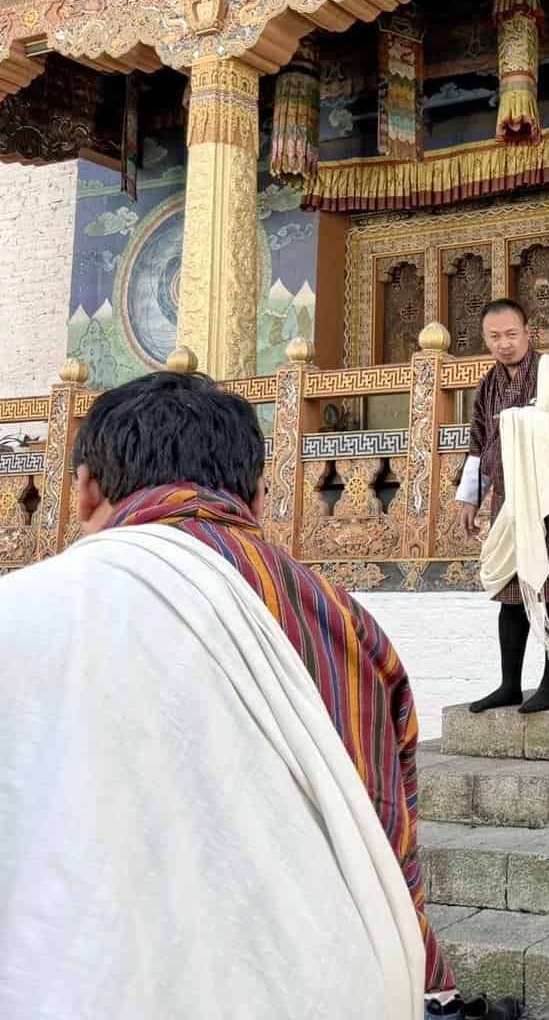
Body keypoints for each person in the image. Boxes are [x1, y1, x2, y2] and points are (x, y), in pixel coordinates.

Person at [0, 373, 429, 1016]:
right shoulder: (344, 622)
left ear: (85, 490)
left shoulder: (23, 611)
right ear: (258, 494)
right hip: (321, 984)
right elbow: (383, 825)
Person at [458, 298, 549, 714]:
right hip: (508, 501)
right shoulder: (487, 385)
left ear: (528, 333)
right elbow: (480, 443)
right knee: (511, 595)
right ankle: (508, 684)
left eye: (511, 335)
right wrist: (470, 498)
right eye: (494, 337)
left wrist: (531, 424)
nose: (504, 344)